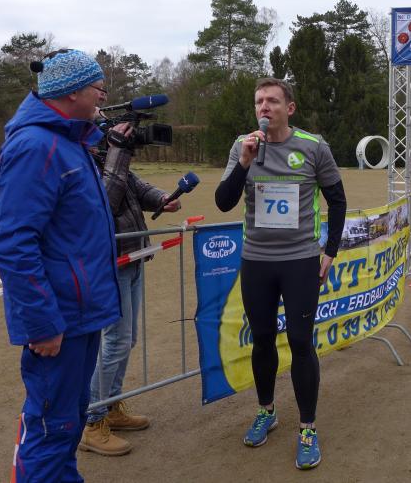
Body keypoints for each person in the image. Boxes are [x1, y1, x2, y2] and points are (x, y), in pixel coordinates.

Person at [0, 49, 121, 482]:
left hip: (80, 315)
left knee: (69, 421)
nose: (104, 94)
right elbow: (13, 244)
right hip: (58, 320)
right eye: (98, 86)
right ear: (71, 92)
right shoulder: (36, 147)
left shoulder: (69, 143)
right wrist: (42, 323)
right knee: (52, 428)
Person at [214, 78, 347, 470]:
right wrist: (244, 162)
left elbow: (337, 200)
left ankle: (307, 427)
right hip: (257, 260)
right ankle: (266, 410)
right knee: (262, 340)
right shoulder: (243, 146)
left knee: (301, 341)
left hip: (300, 260)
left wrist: (330, 251)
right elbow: (223, 202)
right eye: (259, 101)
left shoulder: (313, 146)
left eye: (272, 100)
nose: (264, 107)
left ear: (289, 108)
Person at [79, 114, 182, 455]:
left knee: (126, 339)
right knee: (115, 341)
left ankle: (111, 406)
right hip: (108, 263)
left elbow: (135, 186)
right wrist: (117, 151)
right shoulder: (83, 156)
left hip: (132, 258)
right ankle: (91, 421)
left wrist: (162, 199)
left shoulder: (108, 156)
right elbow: (105, 202)